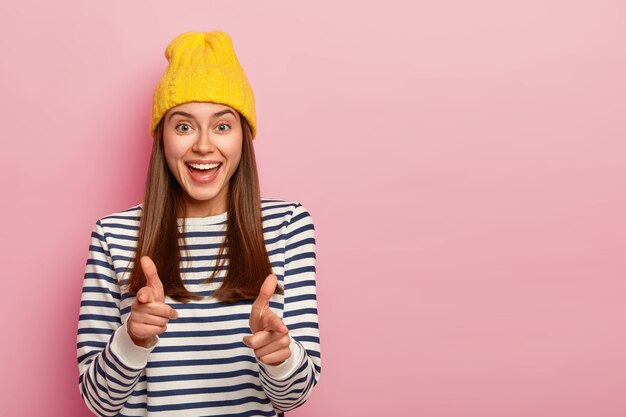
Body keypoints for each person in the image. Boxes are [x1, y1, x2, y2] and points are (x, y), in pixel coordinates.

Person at [76, 30, 321, 417]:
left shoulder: (286, 225)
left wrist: (279, 357)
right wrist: (133, 339)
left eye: (222, 126)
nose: (204, 145)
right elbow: (99, 403)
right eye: (184, 126)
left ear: (243, 137)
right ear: (163, 139)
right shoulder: (114, 235)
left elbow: (293, 398)